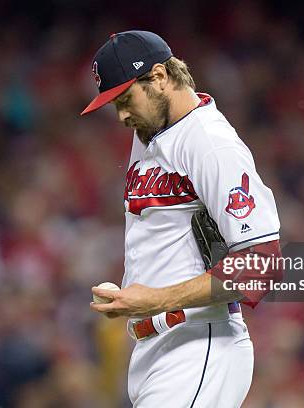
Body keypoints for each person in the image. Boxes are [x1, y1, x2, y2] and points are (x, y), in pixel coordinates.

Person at [81, 30, 281, 408]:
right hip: (153, 350)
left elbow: (262, 264)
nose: (121, 114)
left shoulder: (209, 141)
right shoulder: (151, 131)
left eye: (125, 99)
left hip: (199, 343)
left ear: (159, 77)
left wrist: (156, 299)